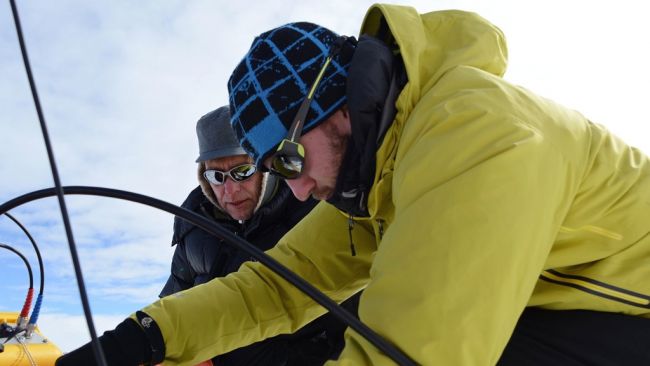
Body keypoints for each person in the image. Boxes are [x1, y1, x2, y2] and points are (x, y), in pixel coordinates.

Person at [57, 4, 650, 366]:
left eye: (287, 160)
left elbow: (415, 351)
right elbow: (274, 288)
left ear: (333, 106)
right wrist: (138, 339)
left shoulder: (474, 133)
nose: (293, 190)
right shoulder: (375, 174)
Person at [156, 106, 357, 365]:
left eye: (242, 172)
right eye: (216, 176)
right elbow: (173, 304)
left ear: (266, 163)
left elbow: (356, 315)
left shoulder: (316, 212)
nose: (229, 191)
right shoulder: (194, 227)